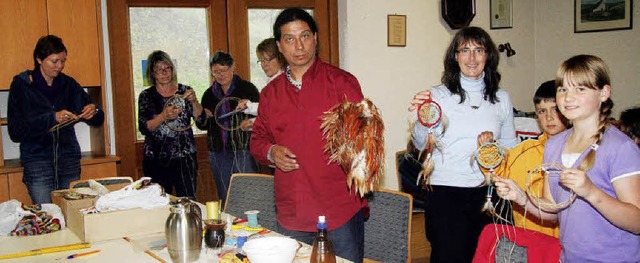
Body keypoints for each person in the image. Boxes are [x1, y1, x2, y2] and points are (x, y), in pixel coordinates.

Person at [493, 55, 640, 262]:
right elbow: (552, 211)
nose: (568, 97)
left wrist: (591, 192)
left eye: (580, 89)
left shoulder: (620, 148)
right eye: (563, 89)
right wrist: (522, 197)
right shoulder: (554, 145)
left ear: (604, 93)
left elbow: (636, 221)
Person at [250, 8, 366, 263]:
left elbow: (365, 137)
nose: (299, 46)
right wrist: (272, 152)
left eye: (304, 36)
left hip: (339, 208)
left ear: (315, 38)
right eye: (290, 39)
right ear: (280, 46)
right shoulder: (271, 93)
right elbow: (257, 140)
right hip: (293, 209)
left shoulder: (342, 83)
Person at [408, 26, 517, 263]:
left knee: (486, 258)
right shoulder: (437, 96)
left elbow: (511, 149)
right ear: (455, 57)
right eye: (465, 50)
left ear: (488, 56)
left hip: (487, 194)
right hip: (447, 192)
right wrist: (423, 116)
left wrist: (493, 148)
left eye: (479, 50)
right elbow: (418, 142)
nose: (472, 57)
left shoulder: (502, 98)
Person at [7, 35, 104, 204]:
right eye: (54, 61)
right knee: (47, 215)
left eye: (63, 61)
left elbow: (98, 119)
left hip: (69, 159)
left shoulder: (69, 84)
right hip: (37, 161)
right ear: (39, 59)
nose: (60, 66)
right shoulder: (21, 85)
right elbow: (15, 131)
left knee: (72, 213)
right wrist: (52, 118)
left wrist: (94, 110)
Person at [477, 80, 568, 237]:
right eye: (542, 111)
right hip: (530, 239)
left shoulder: (581, 152)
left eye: (555, 110)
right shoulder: (525, 150)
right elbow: (498, 175)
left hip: (568, 244)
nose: (549, 117)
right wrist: (488, 151)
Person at [138, 50, 204, 199]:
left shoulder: (185, 91)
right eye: (159, 69)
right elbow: (144, 127)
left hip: (185, 159)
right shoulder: (146, 96)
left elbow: (201, 121)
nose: (164, 72)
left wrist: (194, 101)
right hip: (156, 160)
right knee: (157, 202)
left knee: (188, 202)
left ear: (172, 70)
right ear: (152, 73)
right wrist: (163, 116)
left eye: (167, 68)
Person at [196, 51, 260, 204]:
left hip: (244, 150)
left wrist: (249, 122)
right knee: (226, 196)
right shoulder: (209, 94)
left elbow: (262, 119)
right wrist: (202, 114)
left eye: (223, 70)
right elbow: (201, 124)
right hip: (219, 152)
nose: (220, 75)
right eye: (216, 71)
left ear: (233, 68)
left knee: (249, 195)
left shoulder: (247, 89)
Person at [236, 37, 287, 131]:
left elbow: (275, 110)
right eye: (261, 61)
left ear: (281, 57)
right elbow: (271, 117)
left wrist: (250, 106)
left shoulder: (285, 81)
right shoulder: (272, 80)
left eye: (268, 60)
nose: (264, 65)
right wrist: (253, 123)